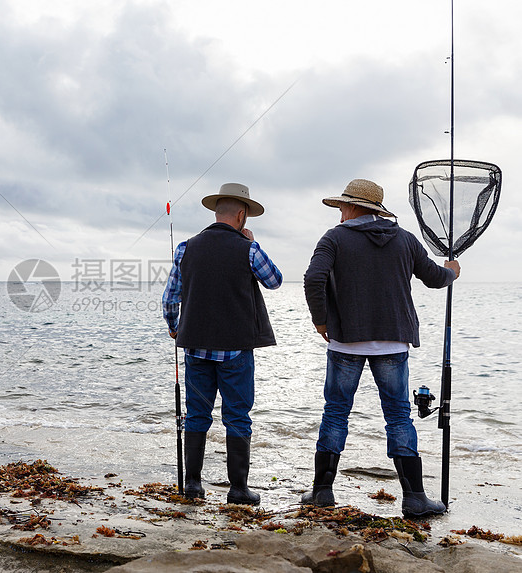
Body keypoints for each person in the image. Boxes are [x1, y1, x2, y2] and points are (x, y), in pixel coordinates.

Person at [302, 178, 460, 518]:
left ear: (355, 207)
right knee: (398, 416)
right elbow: (434, 277)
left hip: (346, 341)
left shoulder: (334, 238)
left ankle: (322, 491)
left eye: (343, 205)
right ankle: (415, 498)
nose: (340, 211)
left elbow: (313, 278)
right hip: (393, 340)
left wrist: (321, 321)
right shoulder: (404, 239)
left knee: (336, 412)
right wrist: (452, 273)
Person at [163, 183, 282, 505]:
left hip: (196, 348)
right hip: (235, 350)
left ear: (217, 212)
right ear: (242, 215)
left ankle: (192, 485)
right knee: (238, 416)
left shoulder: (187, 248)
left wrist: (175, 328)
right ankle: (238, 489)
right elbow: (274, 280)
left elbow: (170, 298)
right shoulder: (248, 249)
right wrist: (253, 244)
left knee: (197, 415)